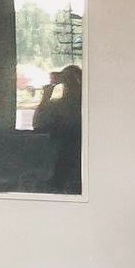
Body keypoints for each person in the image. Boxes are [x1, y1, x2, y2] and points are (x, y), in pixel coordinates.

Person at [32, 64, 83, 194]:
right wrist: (46, 98)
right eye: (68, 83)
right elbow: (38, 126)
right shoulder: (57, 106)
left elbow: (39, 125)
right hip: (59, 157)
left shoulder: (86, 106)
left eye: (73, 83)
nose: (70, 87)